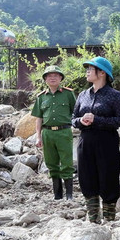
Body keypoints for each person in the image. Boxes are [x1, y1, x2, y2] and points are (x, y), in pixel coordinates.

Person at [72, 57, 120, 222]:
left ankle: (110, 220)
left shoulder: (114, 95)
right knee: (87, 178)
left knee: (108, 178)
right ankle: (93, 220)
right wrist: (81, 121)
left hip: (106, 142)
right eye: (87, 68)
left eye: (91, 68)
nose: (87, 71)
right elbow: (73, 118)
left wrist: (97, 120)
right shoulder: (83, 95)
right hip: (85, 141)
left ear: (102, 72)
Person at [32, 65, 76, 200]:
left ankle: (69, 195)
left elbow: (76, 111)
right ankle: (57, 195)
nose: (52, 78)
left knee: (67, 163)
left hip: (64, 132)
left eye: (56, 75)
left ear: (60, 78)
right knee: (51, 164)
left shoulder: (68, 94)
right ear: (45, 79)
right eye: (49, 76)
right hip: (48, 133)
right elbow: (39, 118)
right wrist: (38, 136)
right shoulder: (41, 97)